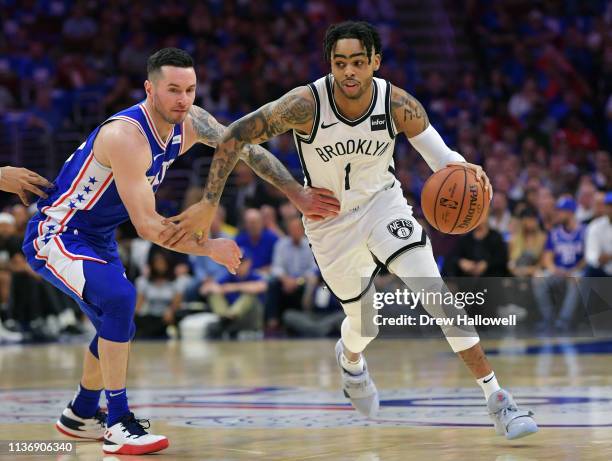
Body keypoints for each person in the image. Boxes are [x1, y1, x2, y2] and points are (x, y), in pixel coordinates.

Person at [166, 22, 537, 439]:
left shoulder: (398, 104)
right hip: (329, 221)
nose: (349, 72)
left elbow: (444, 161)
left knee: (432, 290)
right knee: (365, 326)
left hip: (384, 204)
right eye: (340, 63)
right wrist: (218, 201)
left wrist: (467, 170)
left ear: (375, 62)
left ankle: (498, 398)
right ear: (330, 64)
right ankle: (352, 360)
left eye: (359, 62)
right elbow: (235, 136)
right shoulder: (304, 104)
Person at [21, 48, 334, 455]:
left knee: (116, 320)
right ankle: (117, 421)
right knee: (118, 301)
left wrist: (296, 194)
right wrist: (211, 248)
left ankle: (80, 414)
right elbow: (149, 226)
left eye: (189, 90)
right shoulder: (126, 136)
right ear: (149, 89)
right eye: (172, 90)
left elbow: (243, 147)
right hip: (58, 233)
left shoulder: (190, 122)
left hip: (97, 238)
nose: (183, 99)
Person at [533, 197, 586, 333]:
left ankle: (564, 321)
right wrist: (554, 269)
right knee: (538, 279)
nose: (558, 214)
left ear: (570, 212)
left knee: (575, 280)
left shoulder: (584, 231)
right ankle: (548, 319)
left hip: (577, 271)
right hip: (558, 271)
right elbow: (547, 257)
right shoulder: (555, 233)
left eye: (561, 211)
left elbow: (587, 257)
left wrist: (574, 270)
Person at [584, 192, 612, 277]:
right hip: (604, 271)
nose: (611, 209)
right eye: (609, 206)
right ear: (605, 207)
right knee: (590, 270)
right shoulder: (596, 226)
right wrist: (598, 259)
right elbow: (591, 255)